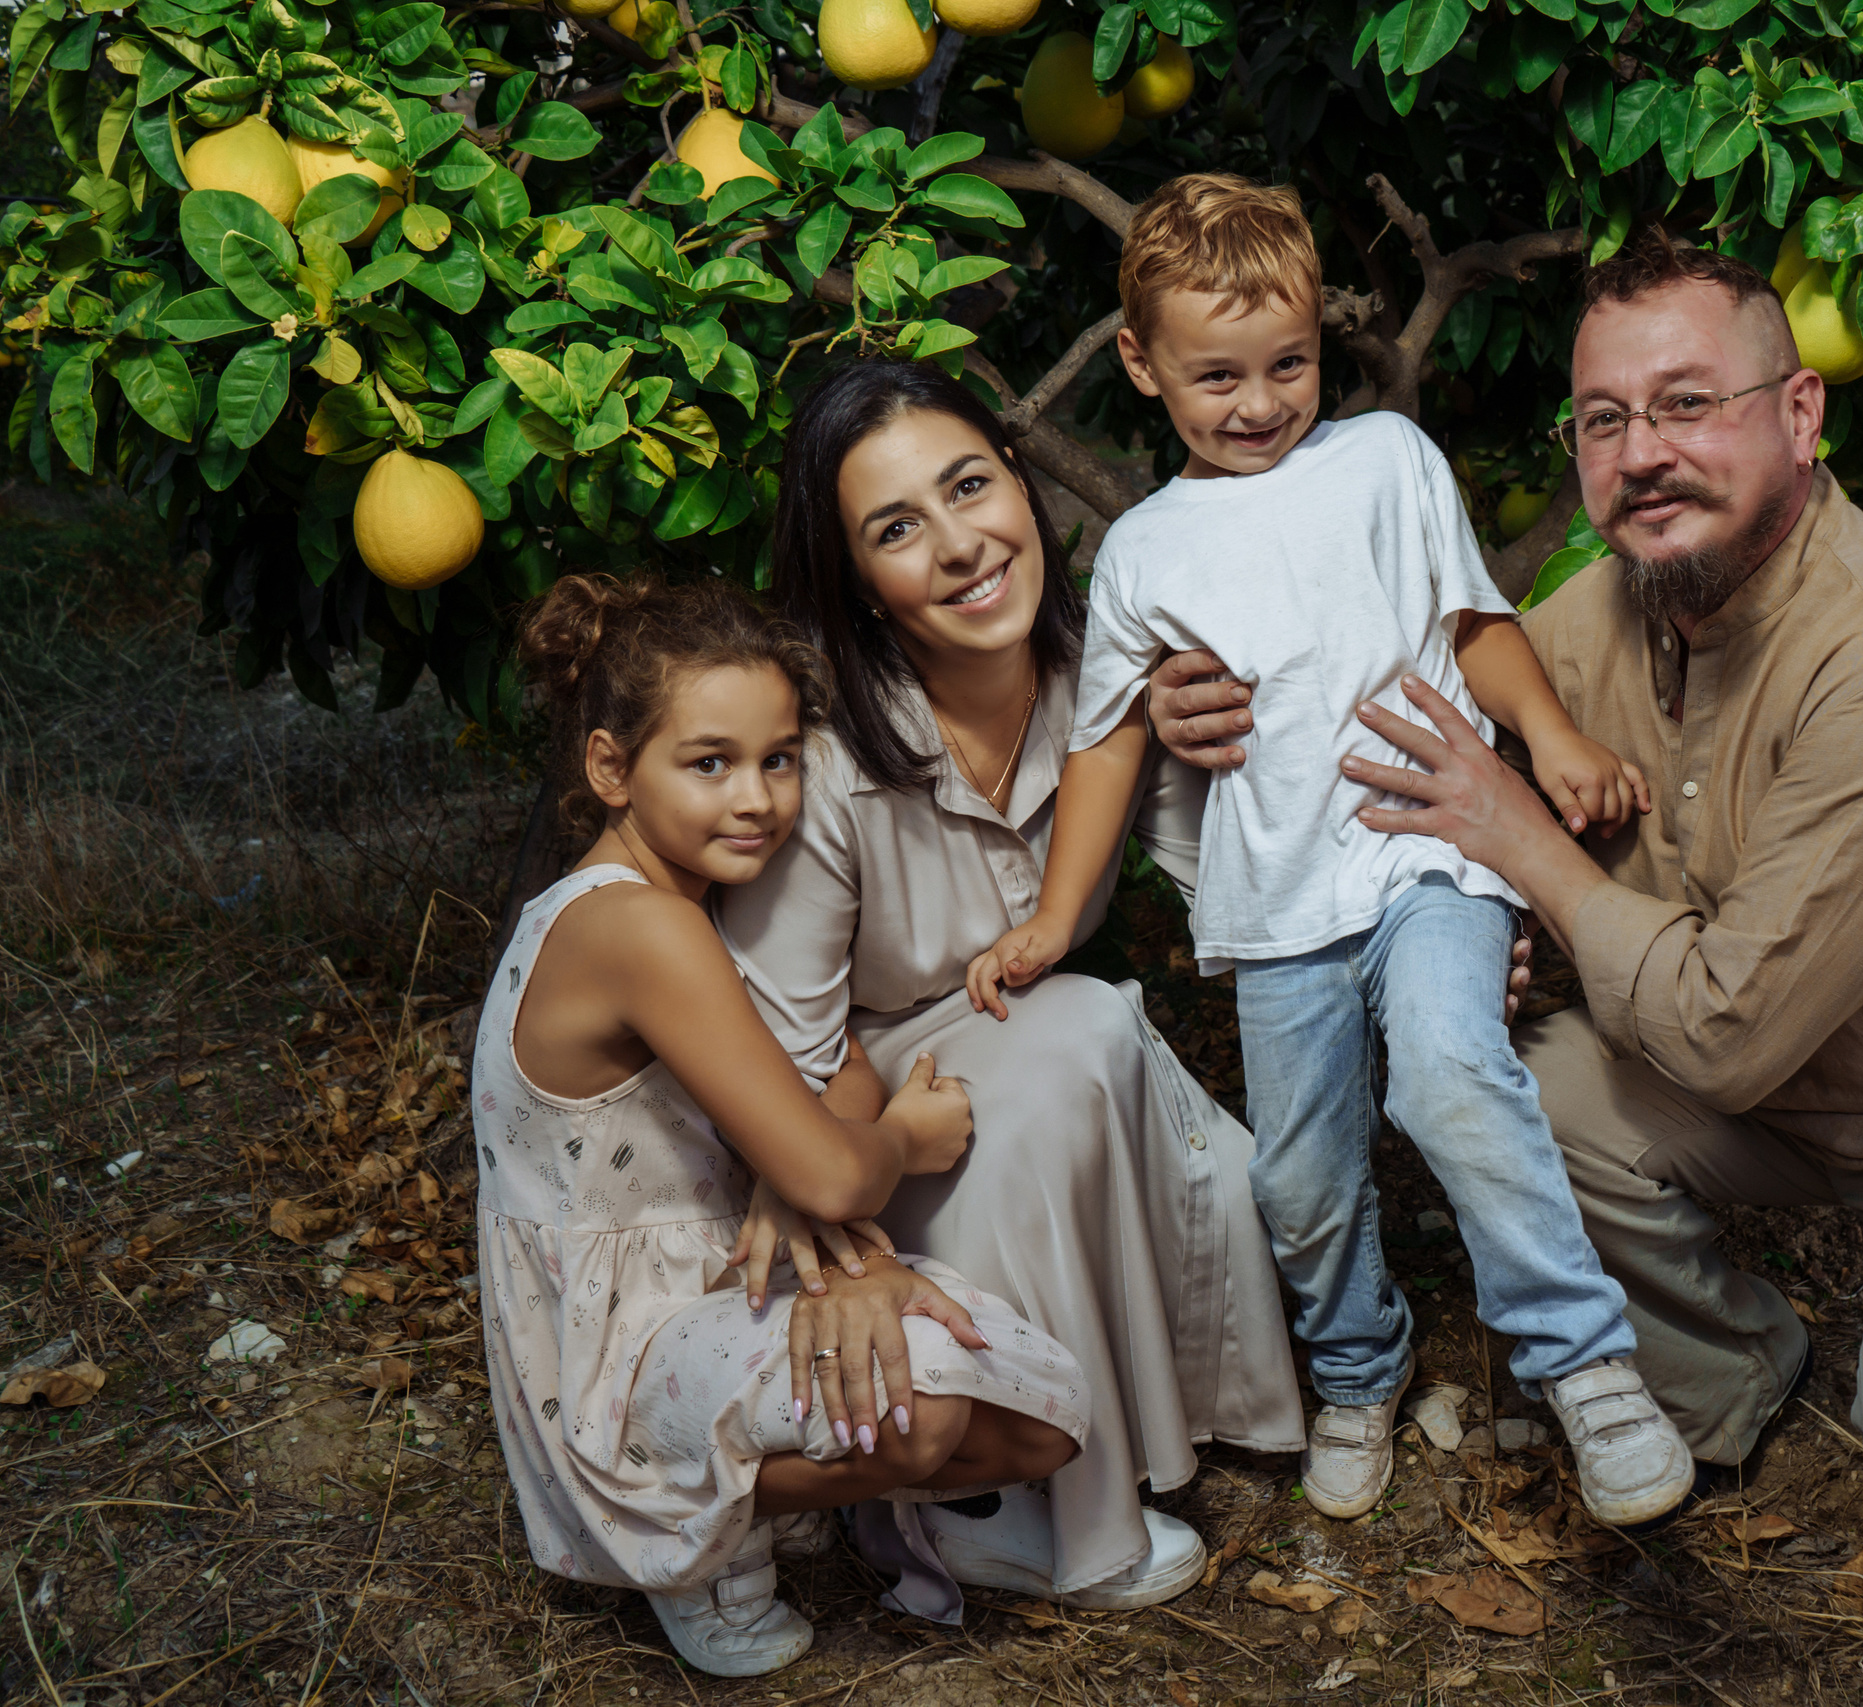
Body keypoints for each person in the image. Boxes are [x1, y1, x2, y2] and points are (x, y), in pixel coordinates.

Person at [1150, 228, 1863, 1613]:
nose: (1643, 452)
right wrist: (1188, 708)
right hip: (1741, 1078)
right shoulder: (1604, 612)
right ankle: (1739, 1369)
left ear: (1801, 417)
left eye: (1690, 403)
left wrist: (1521, 850)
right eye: (1607, 418)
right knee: (1495, 1081)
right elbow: (1372, 692)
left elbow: (1726, 1029)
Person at [966, 173, 1695, 1530]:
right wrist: (1057, 918)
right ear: (1139, 362)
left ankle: (1585, 1361)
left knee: (1450, 1071)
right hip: (1280, 904)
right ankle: (1360, 1362)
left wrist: (1552, 740)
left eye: (1288, 364)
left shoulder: (1385, 462)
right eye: (1217, 376)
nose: (1258, 403)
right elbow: (1110, 744)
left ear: (1323, 342)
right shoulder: (1141, 551)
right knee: (1297, 1175)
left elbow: (1477, 617)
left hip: (1428, 858)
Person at [714, 359, 1309, 1611]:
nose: (958, 546)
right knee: (1072, 1039)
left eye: (969, 486)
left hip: (1030, 1066)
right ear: (858, 585)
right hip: (846, 1099)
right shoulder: (821, 756)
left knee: (1134, 1081)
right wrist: (846, 1238)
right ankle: (983, 1512)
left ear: (1023, 490)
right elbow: (778, 1038)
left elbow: (1254, 890)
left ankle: (1117, 1443)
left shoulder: (1108, 681)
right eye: (895, 529)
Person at [476, 575, 1086, 1679]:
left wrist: (798, 1171)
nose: (755, 798)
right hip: (618, 1340)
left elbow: (834, 1071)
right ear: (611, 768)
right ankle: (703, 1539)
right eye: (707, 763)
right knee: (924, 1419)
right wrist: (904, 1141)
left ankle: (765, 1476)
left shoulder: (693, 903)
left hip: (722, 1278)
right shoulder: (636, 928)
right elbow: (838, 1156)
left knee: (1037, 1421)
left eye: (779, 759)